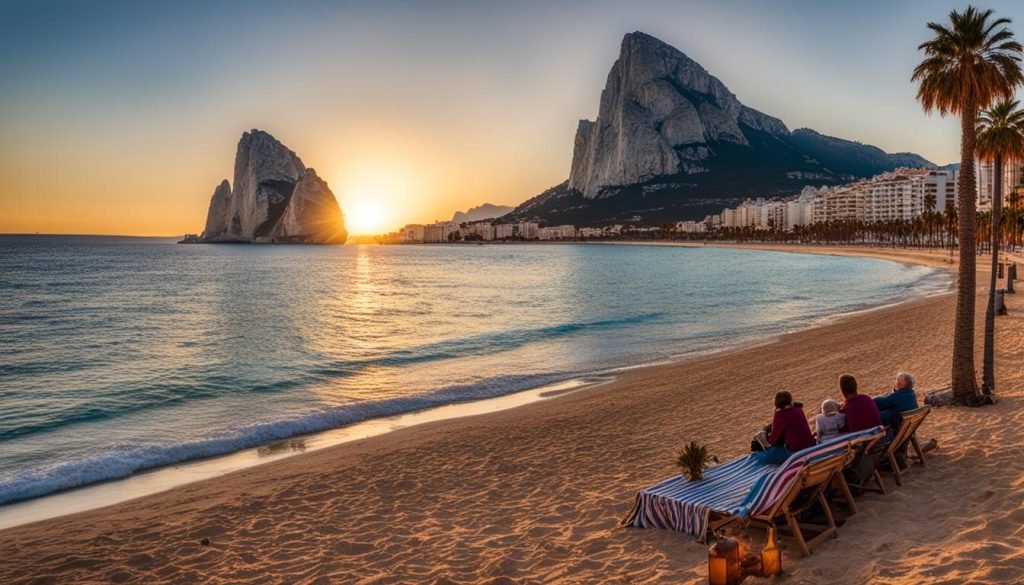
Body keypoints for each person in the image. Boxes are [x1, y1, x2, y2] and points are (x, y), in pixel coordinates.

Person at [753, 391, 815, 465]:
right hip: (810, 445)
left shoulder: (780, 415)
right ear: (790, 400)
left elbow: (773, 441)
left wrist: (776, 414)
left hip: (795, 452)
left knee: (763, 456)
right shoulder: (799, 410)